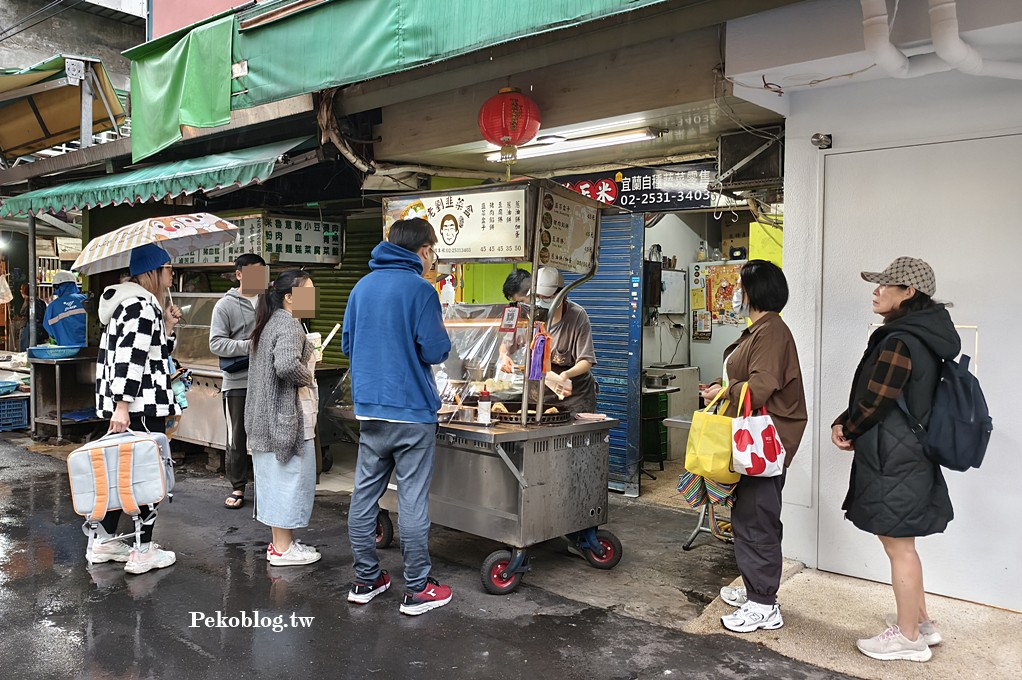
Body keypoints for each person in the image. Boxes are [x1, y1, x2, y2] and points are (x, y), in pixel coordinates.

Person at [831, 257, 957, 663]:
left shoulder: (901, 340)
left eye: (886, 284)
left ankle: (907, 638)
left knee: (899, 546)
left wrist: (847, 427)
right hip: (908, 453)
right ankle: (921, 623)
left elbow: (876, 399)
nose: (877, 290)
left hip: (895, 456)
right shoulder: (920, 335)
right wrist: (848, 421)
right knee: (904, 542)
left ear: (909, 293)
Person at [342, 217, 453, 615]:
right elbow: (436, 351)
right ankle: (418, 587)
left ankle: (365, 580)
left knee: (364, 496)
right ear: (423, 250)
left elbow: (346, 345)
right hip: (412, 414)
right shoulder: (421, 290)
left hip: (370, 410)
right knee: (411, 500)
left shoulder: (361, 287)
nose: (433, 257)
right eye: (433, 250)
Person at [702, 260, 807, 633]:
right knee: (748, 516)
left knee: (757, 518)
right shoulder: (760, 330)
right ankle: (754, 589)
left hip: (764, 444)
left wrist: (724, 391)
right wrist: (723, 384)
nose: (736, 294)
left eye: (741, 287)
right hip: (752, 441)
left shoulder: (772, 332)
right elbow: (746, 377)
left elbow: (759, 388)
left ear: (754, 291)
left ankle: (764, 604)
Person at [93, 243, 182, 574]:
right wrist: (122, 405)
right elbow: (131, 361)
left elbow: (154, 356)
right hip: (139, 407)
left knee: (119, 476)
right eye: (169, 268)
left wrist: (168, 328)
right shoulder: (142, 308)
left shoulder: (132, 306)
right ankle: (143, 550)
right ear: (152, 272)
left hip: (130, 405)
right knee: (146, 476)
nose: (172, 274)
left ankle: (103, 541)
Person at [245, 269, 322, 567]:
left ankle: (281, 544)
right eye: (308, 292)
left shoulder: (270, 322)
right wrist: (309, 374)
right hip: (284, 417)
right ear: (290, 297)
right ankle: (283, 549)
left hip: (265, 417)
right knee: (289, 482)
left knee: (276, 483)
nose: (313, 298)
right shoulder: (289, 325)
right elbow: (287, 366)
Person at [498, 266, 597, 417]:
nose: (541, 301)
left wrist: (566, 375)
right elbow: (506, 345)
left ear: (561, 294)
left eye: (547, 297)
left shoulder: (577, 316)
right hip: (539, 394)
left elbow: (586, 360)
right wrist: (504, 356)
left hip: (573, 395)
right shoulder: (531, 313)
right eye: (537, 296)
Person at [209, 253, 266, 510]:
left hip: (266, 379)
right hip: (237, 380)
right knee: (237, 437)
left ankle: (267, 484)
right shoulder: (225, 305)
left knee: (267, 433)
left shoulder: (270, 300)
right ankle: (238, 486)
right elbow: (215, 342)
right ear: (240, 274)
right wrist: (249, 346)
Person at [43, 271, 87, 347]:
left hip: (66, 351)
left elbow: (50, 331)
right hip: (89, 349)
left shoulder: (52, 307)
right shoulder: (85, 299)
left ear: (57, 287)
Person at [18, 283, 48, 351]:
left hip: (28, 328)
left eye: (21, 290)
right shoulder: (41, 302)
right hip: (41, 329)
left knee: (26, 350)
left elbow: (24, 313)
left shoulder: (29, 301)